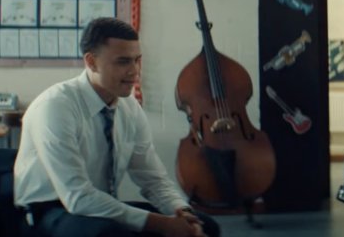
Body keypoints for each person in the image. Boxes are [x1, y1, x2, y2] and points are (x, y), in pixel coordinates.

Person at [14, 17, 220, 237]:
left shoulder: (129, 107)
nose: (135, 71)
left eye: (137, 60)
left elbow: (152, 178)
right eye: (123, 62)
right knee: (112, 234)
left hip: (98, 206)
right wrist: (163, 224)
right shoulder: (55, 106)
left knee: (206, 225)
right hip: (48, 211)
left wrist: (181, 212)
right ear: (92, 62)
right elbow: (77, 197)